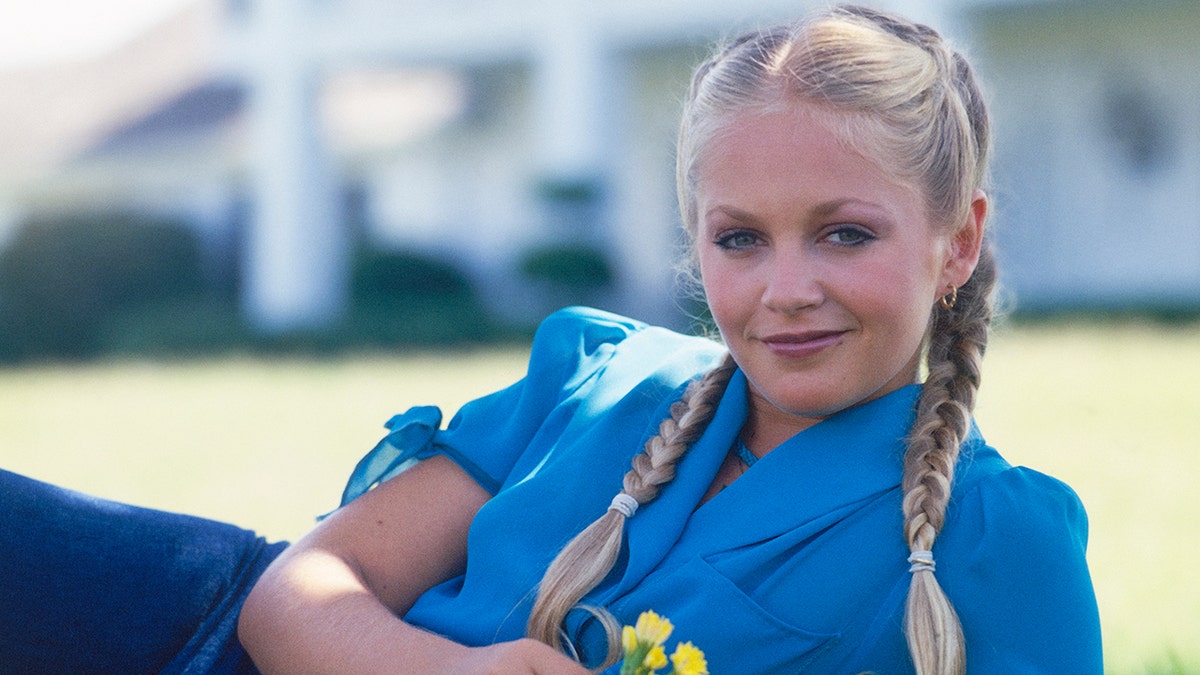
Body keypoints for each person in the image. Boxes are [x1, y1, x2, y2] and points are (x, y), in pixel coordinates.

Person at [0, 5, 1100, 674]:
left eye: (845, 234)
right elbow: (298, 591)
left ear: (957, 244)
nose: (787, 289)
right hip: (211, 639)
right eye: (740, 239)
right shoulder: (601, 380)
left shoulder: (995, 541)